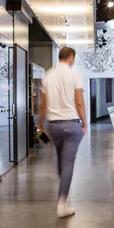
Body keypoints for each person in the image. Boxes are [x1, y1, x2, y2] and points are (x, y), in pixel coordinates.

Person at [38, 47, 87, 218]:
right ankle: (62, 202)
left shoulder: (48, 75)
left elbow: (43, 105)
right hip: (71, 125)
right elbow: (79, 102)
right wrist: (84, 122)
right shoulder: (74, 75)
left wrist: (40, 126)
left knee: (61, 160)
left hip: (53, 126)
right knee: (68, 163)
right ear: (71, 57)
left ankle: (63, 197)